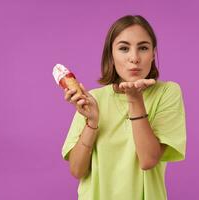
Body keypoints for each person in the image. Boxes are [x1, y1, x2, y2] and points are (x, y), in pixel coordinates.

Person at [61, 15, 187, 200]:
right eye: (124, 48)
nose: (134, 58)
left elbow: (148, 160)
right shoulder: (93, 99)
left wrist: (135, 99)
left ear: (153, 54)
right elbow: (77, 170)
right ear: (111, 55)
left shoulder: (167, 92)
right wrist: (92, 122)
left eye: (143, 48)